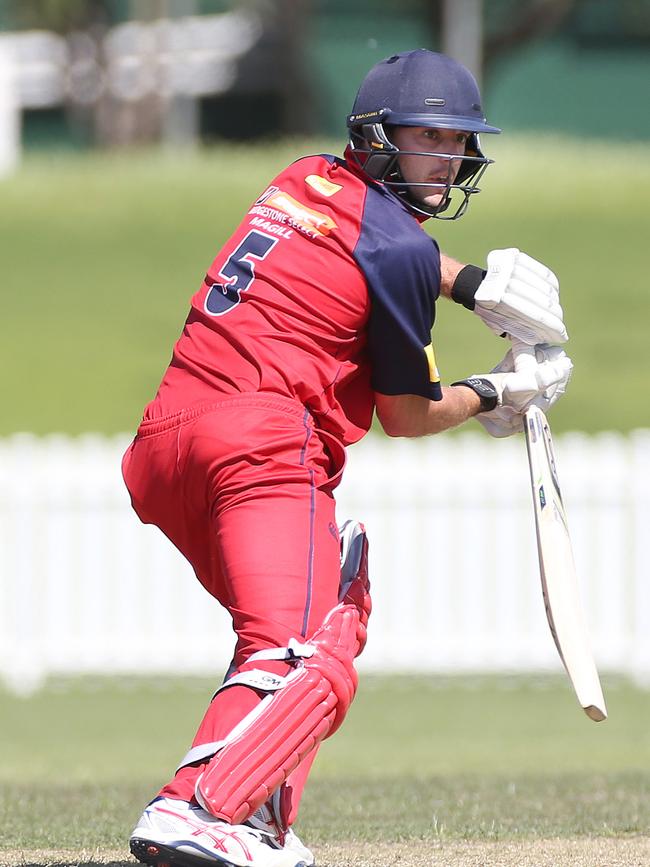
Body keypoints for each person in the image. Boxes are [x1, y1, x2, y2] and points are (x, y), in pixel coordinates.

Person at [122, 49, 572, 867]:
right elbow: (405, 413)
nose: (445, 158)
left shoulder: (302, 179)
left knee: (322, 609)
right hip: (260, 447)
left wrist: (471, 284)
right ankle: (198, 809)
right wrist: (502, 389)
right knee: (304, 651)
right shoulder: (398, 252)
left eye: (456, 140)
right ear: (375, 139)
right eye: (424, 137)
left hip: (166, 445)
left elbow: (375, 246)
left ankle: (255, 817)